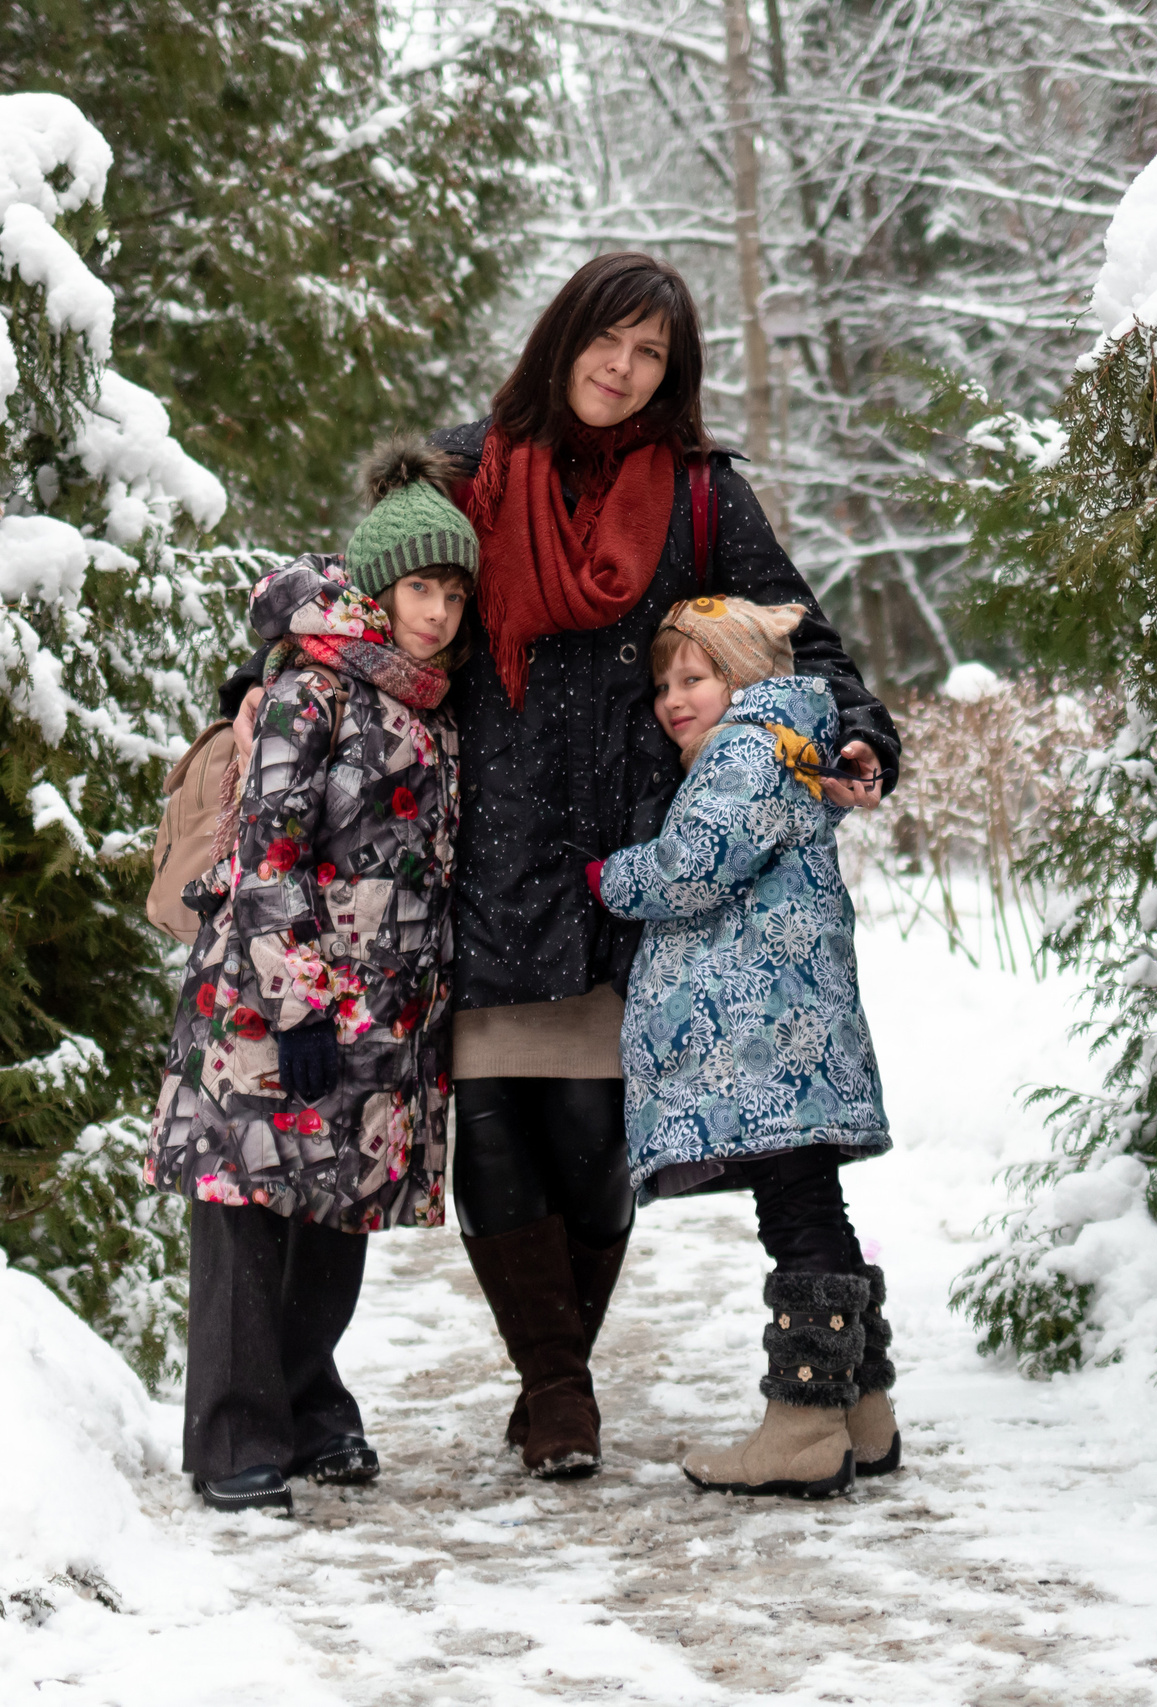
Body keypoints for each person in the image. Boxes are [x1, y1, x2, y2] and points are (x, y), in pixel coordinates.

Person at [221, 253, 899, 1479]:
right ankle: (556, 1387)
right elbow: (366, 603)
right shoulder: (467, 472)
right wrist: (274, 683)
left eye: (651, 355)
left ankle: (560, 1370)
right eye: (609, 341)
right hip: (479, 848)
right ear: (564, 335)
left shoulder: (697, 496)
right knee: (492, 1123)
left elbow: (800, 635)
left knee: (593, 1134)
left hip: (629, 859)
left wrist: (851, 729)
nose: (622, 370)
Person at [147, 439, 476, 1514]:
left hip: (382, 1012)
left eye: (454, 592)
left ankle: (305, 1403)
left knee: (337, 1209)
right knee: (245, 1204)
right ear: (379, 587)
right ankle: (234, 1436)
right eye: (422, 586)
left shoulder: (429, 704)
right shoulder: (311, 694)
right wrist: (298, 1002)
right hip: (269, 999)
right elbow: (261, 858)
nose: (438, 611)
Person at [593, 595, 895, 1499]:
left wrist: (610, 874)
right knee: (815, 1210)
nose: (673, 700)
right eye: (663, 685)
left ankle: (804, 1427)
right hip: (790, 1035)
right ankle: (860, 1412)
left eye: (695, 678)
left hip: (764, 1041)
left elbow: (693, 864)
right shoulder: (790, 747)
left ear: (746, 680)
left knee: (796, 1218)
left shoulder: (746, 750)